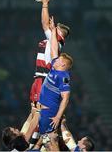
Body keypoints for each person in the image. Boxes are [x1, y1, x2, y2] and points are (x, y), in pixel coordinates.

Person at [25, 0, 71, 147]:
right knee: (33, 116)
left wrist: (45, 3)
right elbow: (46, 24)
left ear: (60, 34)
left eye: (55, 28)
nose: (52, 27)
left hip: (44, 80)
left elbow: (45, 24)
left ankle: (26, 146)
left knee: (36, 117)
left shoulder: (55, 42)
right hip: (39, 78)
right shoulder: (52, 38)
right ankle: (31, 145)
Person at [37, 16, 73, 151]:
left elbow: (66, 97)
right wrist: (52, 31)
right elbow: (53, 49)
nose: (56, 59)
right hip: (44, 110)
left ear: (63, 64)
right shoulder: (54, 67)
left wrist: (58, 116)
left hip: (50, 113)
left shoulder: (64, 77)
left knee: (51, 141)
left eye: (59, 59)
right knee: (47, 142)